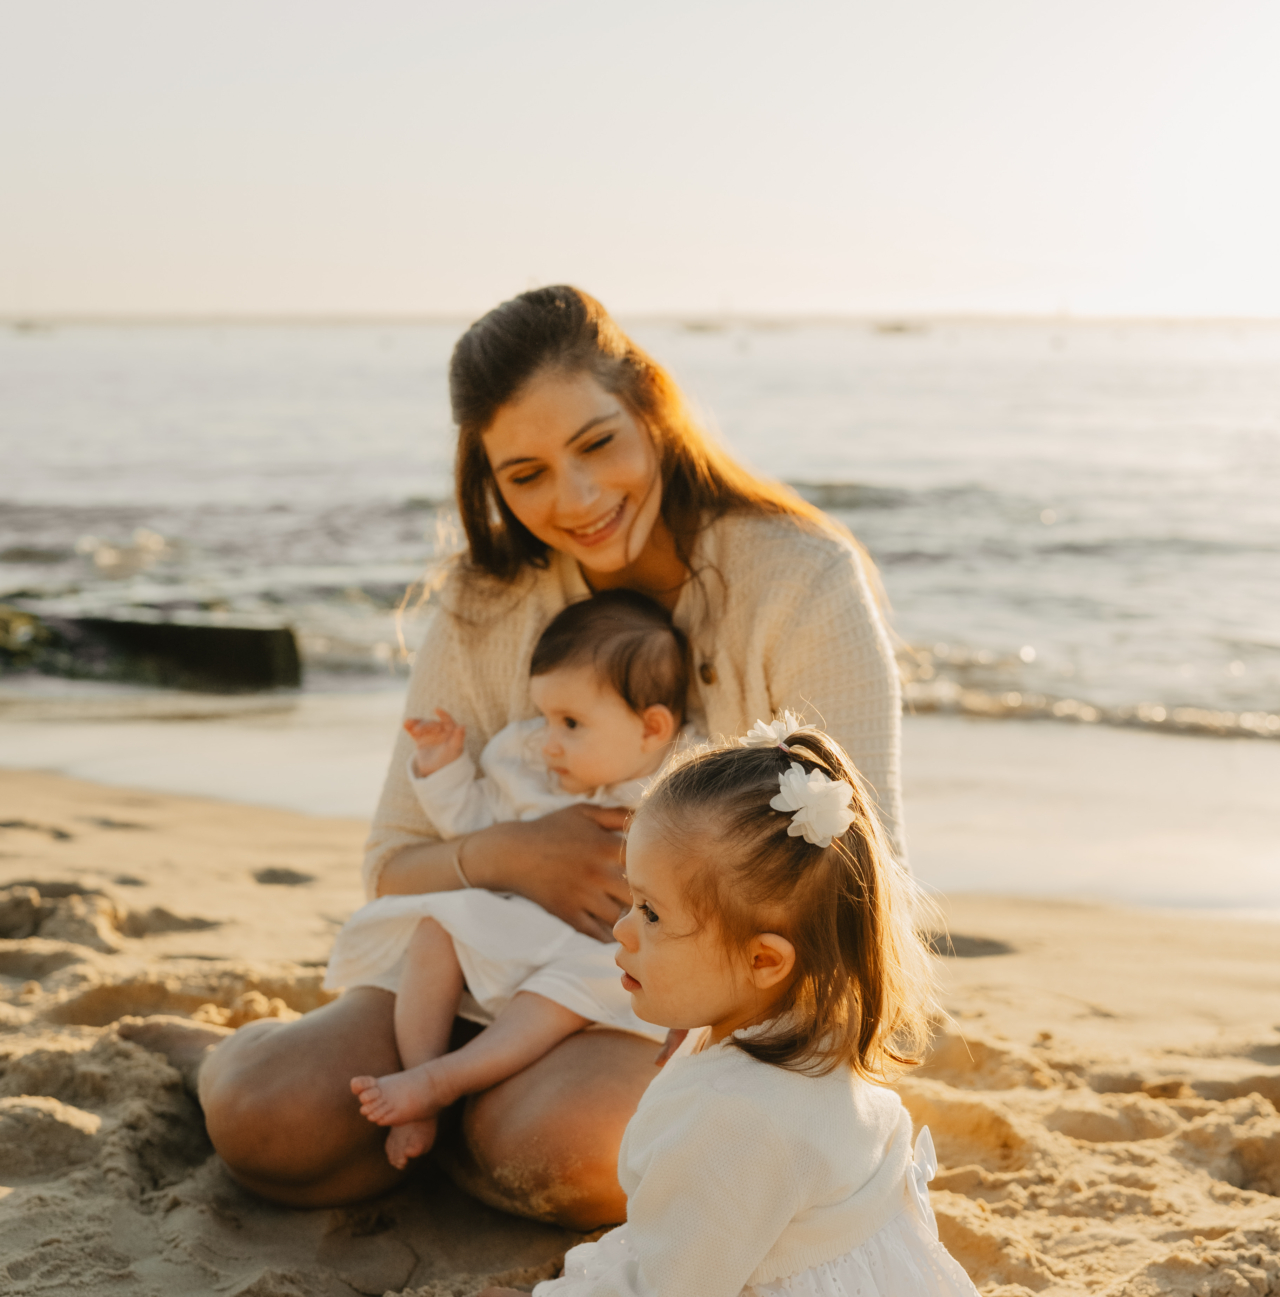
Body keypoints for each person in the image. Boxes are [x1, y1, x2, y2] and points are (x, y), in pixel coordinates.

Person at [191, 285, 905, 1221]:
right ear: (489, 480)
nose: (576, 502)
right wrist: (513, 856)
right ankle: (301, 1078)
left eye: (598, 444)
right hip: (479, 963)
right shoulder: (485, 601)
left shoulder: (800, 580)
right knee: (263, 1121)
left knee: (565, 1148)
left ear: (651, 405)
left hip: (643, 998)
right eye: (524, 475)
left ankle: (451, 1121)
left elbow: (860, 880)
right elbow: (390, 866)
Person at [370, 726, 1011, 1297]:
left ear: (764, 959)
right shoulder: (800, 1038)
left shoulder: (745, 1114)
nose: (620, 935)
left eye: (651, 913)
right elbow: (689, 1252)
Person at [329, 592, 697, 1169]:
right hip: (516, 924)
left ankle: (444, 1081)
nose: (548, 740)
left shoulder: (682, 790)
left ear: (652, 728)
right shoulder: (527, 765)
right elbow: (473, 826)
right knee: (437, 927)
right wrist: (441, 767)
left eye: (571, 723)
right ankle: (417, 1071)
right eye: (545, 717)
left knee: (568, 987)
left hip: (594, 951)